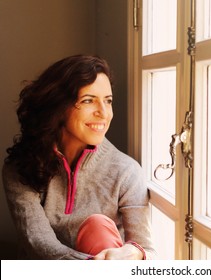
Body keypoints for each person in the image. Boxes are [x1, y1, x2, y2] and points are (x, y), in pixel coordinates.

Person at [2, 54, 156, 260]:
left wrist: (134, 252)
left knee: (99, 228)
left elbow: (148, 250)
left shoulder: (127, 171)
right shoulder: (21, 167)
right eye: (88, 100)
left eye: (108, 101)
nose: (104, 113)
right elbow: (38, 243)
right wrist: (92, 266)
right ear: (58, 106)